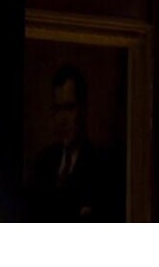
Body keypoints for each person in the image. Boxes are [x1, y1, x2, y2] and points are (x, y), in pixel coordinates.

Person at [26, 64, 121, 222]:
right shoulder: (42, 163)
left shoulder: (102, 169)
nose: (62, 120)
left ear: (84, 109)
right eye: (58, 109)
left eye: (69, 108)